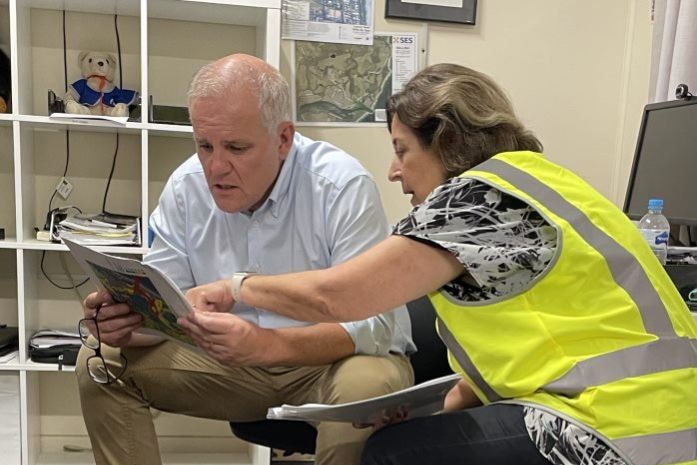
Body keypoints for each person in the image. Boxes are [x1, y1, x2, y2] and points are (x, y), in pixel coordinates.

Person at [183, 63, 697, 465]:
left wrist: (238, 286)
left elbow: (337, 298)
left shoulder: (479, 200)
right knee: (414, 437)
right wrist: (423, 411)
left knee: (395, 454)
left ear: (446, 142)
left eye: (402, 150)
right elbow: (520, 355)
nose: (393, 171)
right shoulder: (544, 184)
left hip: (619, 432)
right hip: (662, 420)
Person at [75, 54, 415, 465]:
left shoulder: (340, 185)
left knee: (369, 387)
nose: (216, 167)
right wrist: (126, 324)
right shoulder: (186, 188)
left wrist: (268, 344)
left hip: (329, 364)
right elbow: (171, 312)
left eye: (237, 147)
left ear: (283, 139)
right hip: (231, 366)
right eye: (204, 145)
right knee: (100, 360)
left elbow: (374, 327)